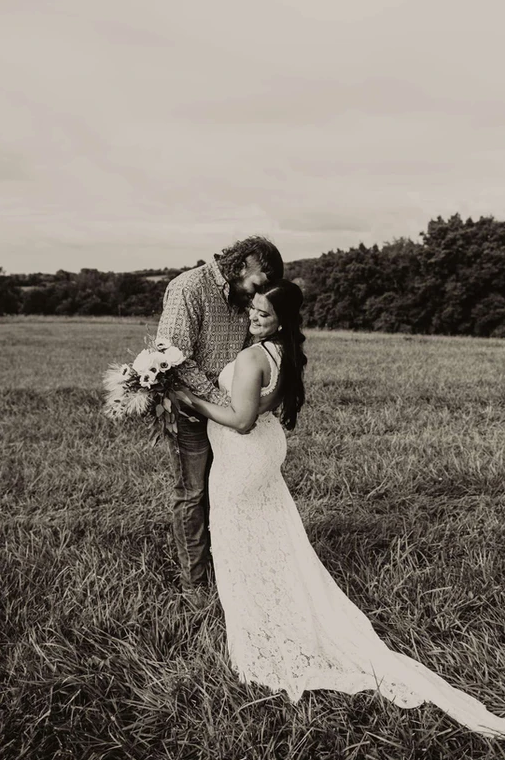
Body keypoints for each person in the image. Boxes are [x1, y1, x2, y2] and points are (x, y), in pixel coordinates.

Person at [173, 279, 505, 738]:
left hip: (243, 457)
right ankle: (273, 595)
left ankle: (260, 618)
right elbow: (265, 406)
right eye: (251, 310)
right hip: (267, 454)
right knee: (269, 533)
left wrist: (186, 399)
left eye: (263, 315)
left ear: (281, 320)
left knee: (235, 532)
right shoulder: (281, 353)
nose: (252, 318)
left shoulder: (253, 356)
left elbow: (243, 420)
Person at [155, 236, 284, 599]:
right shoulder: (188, 288)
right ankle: (194, 584)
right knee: (193, 494)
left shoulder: (245, 298)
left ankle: (230, 567)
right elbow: (174, 355)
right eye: (261, 280)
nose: (262, 293)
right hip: (192, 410)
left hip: (228, 414)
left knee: (225, 492)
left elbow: (252, 349)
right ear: (243, 264)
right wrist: (223, 402)